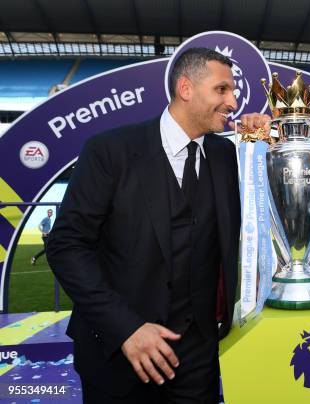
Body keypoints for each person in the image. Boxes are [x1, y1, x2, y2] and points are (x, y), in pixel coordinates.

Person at [47, 48, 240, 404]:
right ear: (186, 88)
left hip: (198, 358)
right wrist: (125, 328)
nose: (233, 101)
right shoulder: (110, 150)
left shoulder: (226, 155)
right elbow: (66, 246)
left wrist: (267, 140)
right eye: (222, 90)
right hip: (119, 354)